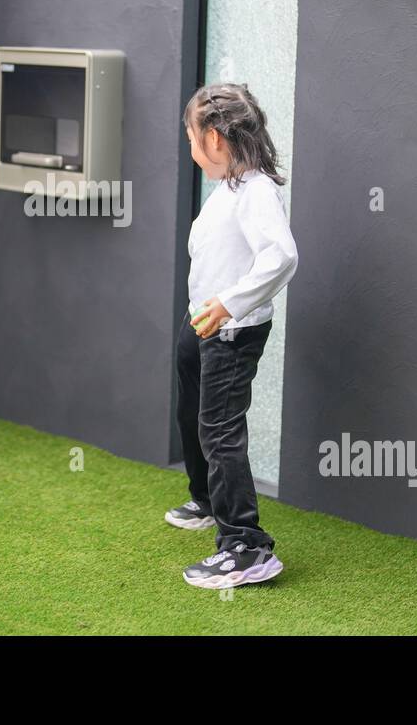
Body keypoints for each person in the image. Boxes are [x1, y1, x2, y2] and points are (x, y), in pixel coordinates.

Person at [167, 82, 299, 589]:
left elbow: (282, 256)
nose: (193, 150)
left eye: (192, 139)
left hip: (231, 331)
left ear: (216, 140)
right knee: (192, 409)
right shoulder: (233, 186)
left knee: (220, 431)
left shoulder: (258, 191)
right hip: (203, 321)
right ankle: (205, 499)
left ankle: (246, 546)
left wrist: (229, 305)